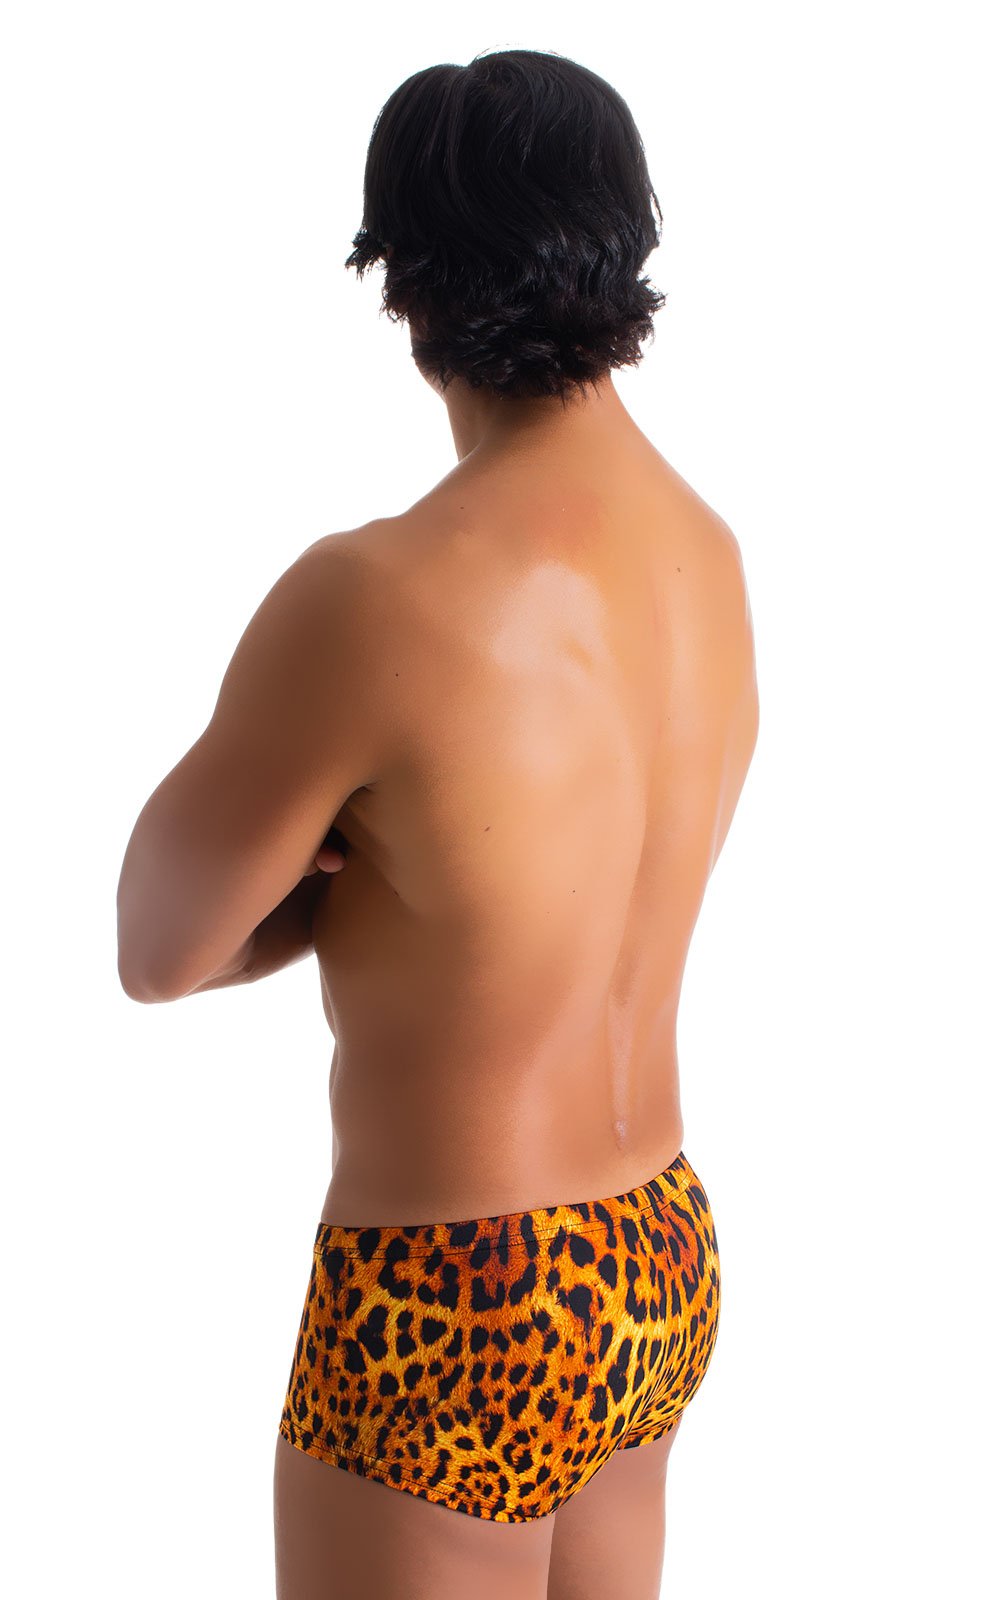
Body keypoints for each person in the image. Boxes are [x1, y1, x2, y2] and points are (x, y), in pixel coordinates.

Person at [117, 46, 759, 1600]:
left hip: (456, 1290)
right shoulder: (709, 555)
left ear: (402, 279)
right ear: (628, 244)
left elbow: (158, 947)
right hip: (659, 1248)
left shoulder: (375, 595)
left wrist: (319, 883)